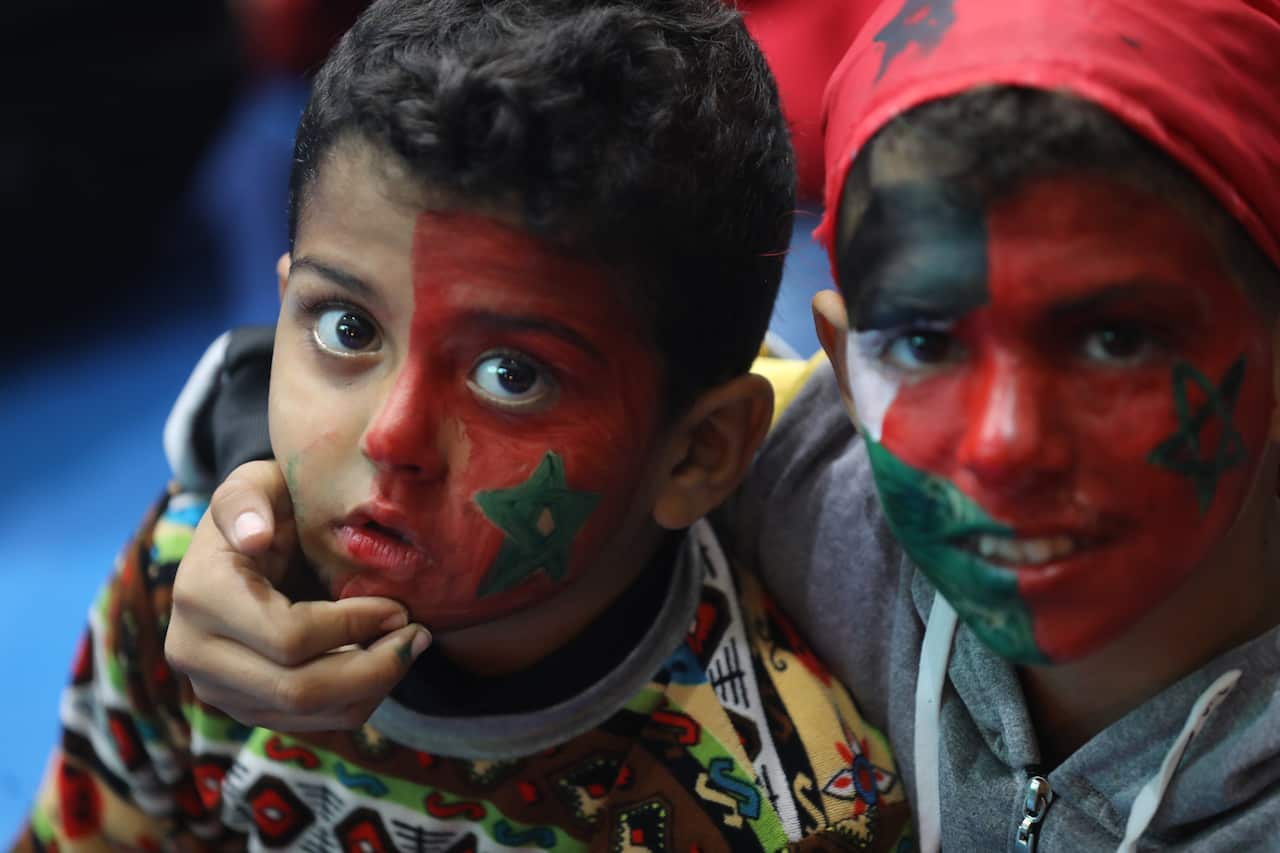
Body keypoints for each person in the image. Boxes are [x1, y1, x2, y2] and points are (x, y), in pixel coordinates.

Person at [15, 1, 911, 850]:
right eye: (347, 328)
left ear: (699, 454)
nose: (391, 437)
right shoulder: (188, 592)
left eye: (511, 375)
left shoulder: (793, 806)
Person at [734, 0, 1280, 849]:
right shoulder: (797, 491)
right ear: (845, 369)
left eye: (1116, 339)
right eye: (923, 343)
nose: (1004, 446)